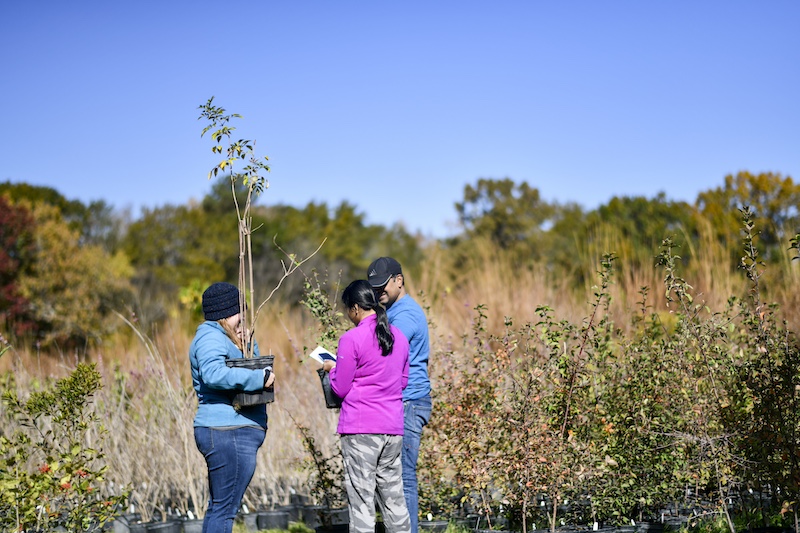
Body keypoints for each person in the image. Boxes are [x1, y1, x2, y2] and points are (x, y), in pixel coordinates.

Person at [322, 279, 411, 533]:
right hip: (392, 429)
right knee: (394, 501)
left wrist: (332, 369)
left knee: (362, 504)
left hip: (361, 429)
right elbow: (402, 382)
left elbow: (340, 387)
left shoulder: (351, 339)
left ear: (355, 309)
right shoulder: (400, 338)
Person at [189, 282, 276, 533]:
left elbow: (252, 364)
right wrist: (259, 379)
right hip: (228, 431)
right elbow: (214, 374)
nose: (244, 318)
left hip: (232, 431)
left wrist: (247, 343)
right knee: (224, 511)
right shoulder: (210, 337)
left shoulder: (225, 337)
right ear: (227, 313)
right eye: (241, 312)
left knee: (220, 508)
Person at [367, 257, 431, 533]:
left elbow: (386, 352)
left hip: (409, 403)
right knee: (389, 479)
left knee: (403, 479)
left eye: (382, 287)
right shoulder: (391, 311)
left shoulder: (406, 315)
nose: (378, 292)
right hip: (398, 402)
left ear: (399, 281)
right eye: (374, 289)